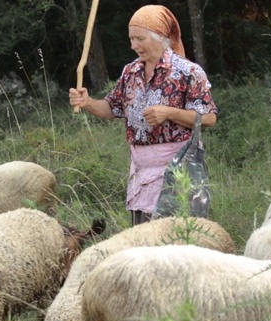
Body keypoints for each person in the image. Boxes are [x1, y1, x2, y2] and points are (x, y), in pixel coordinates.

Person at [69, 4, 218, 226]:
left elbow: (209, 118)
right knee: (142, 243)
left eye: (140, 39)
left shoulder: (188, 72)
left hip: (176, 172)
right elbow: (112, 108)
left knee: (172, 239)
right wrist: (88, 102)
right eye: (131, 39)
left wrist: (169, 113)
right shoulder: (131, 72)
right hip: (141, 174)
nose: (133, 45)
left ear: (160, 37)